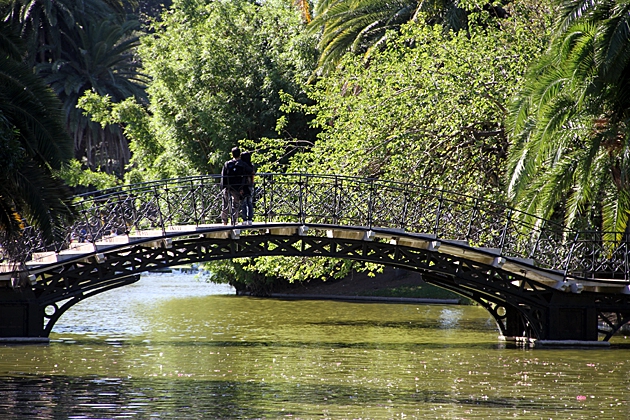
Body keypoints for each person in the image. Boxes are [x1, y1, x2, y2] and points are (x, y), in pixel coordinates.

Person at [220, 147, 247, 225]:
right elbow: (244, 177)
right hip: (237, 187)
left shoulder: (227, 164)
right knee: (236, 204)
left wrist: (223, 187)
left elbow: (223, 175)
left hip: (228, 186)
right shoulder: (242, 164)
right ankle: (234, 220)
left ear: (232, 154)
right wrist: (242, 188)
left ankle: (224, 220)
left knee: (225, 203)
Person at [240, 151, 255, 225]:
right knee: (250, 202)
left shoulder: (242, 166)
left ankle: (244, 219)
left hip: (244, 185)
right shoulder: (251, 166)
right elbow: (253, 175)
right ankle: (250, 219)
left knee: (243, 203)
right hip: (250, 185)